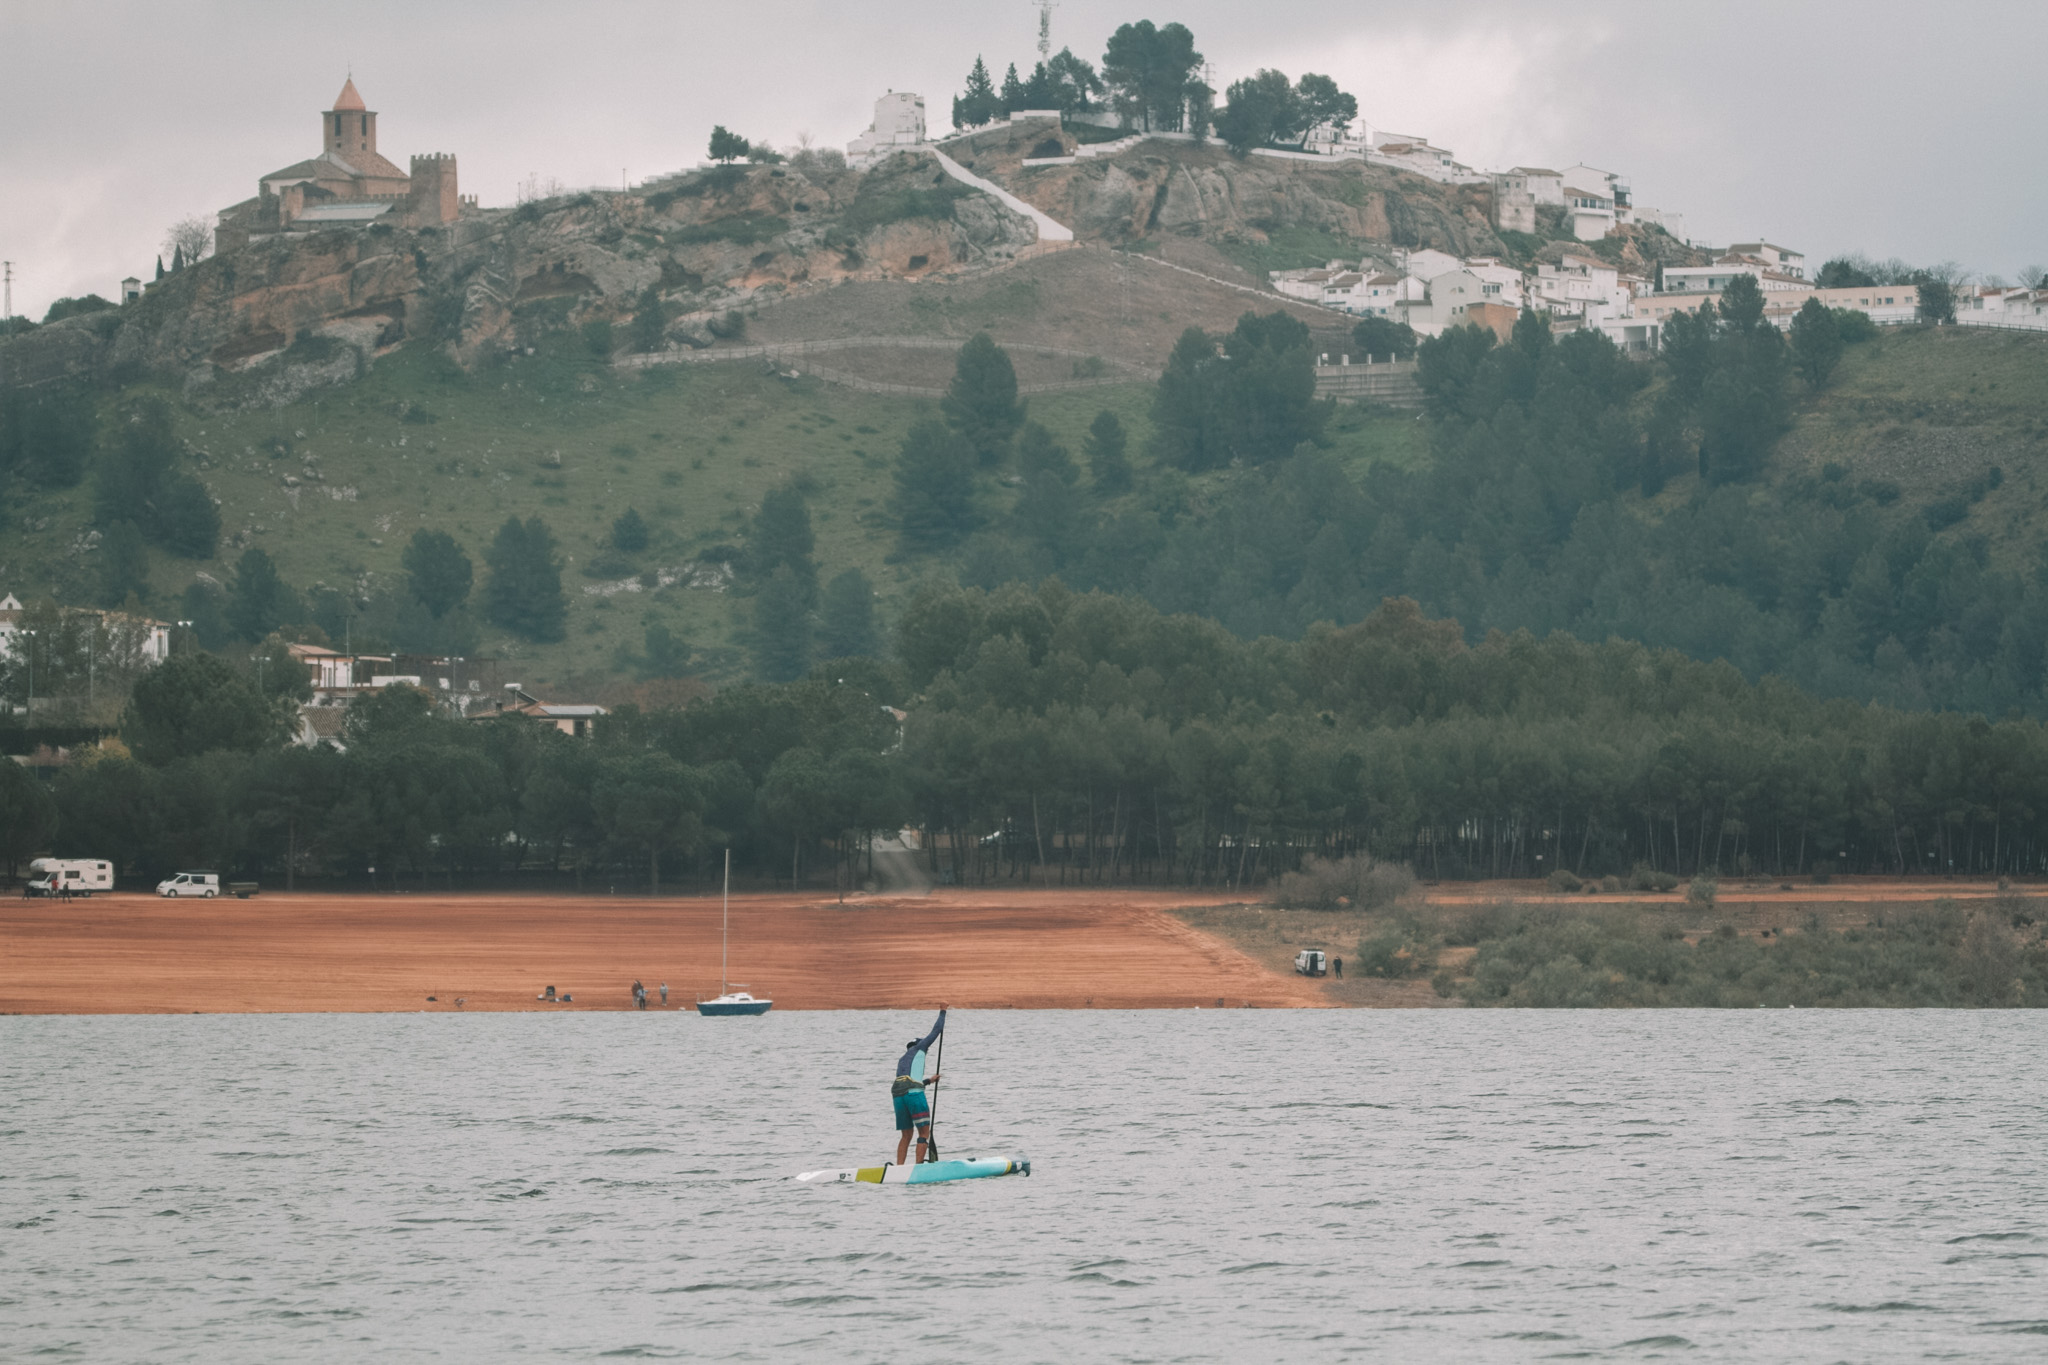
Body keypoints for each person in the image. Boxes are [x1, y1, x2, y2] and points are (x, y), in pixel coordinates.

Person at [892, 1005, 947, 1166]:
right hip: (914, 1093)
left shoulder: (902, 1060)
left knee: (906, 1135)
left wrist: (929, 1081)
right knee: (924, 1132)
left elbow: (906, 1083)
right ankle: (918, 1167)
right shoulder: (920, 1047)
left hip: (897, 1093)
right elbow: (936, 1031)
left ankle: (899, 1167)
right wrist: (943, 1011)